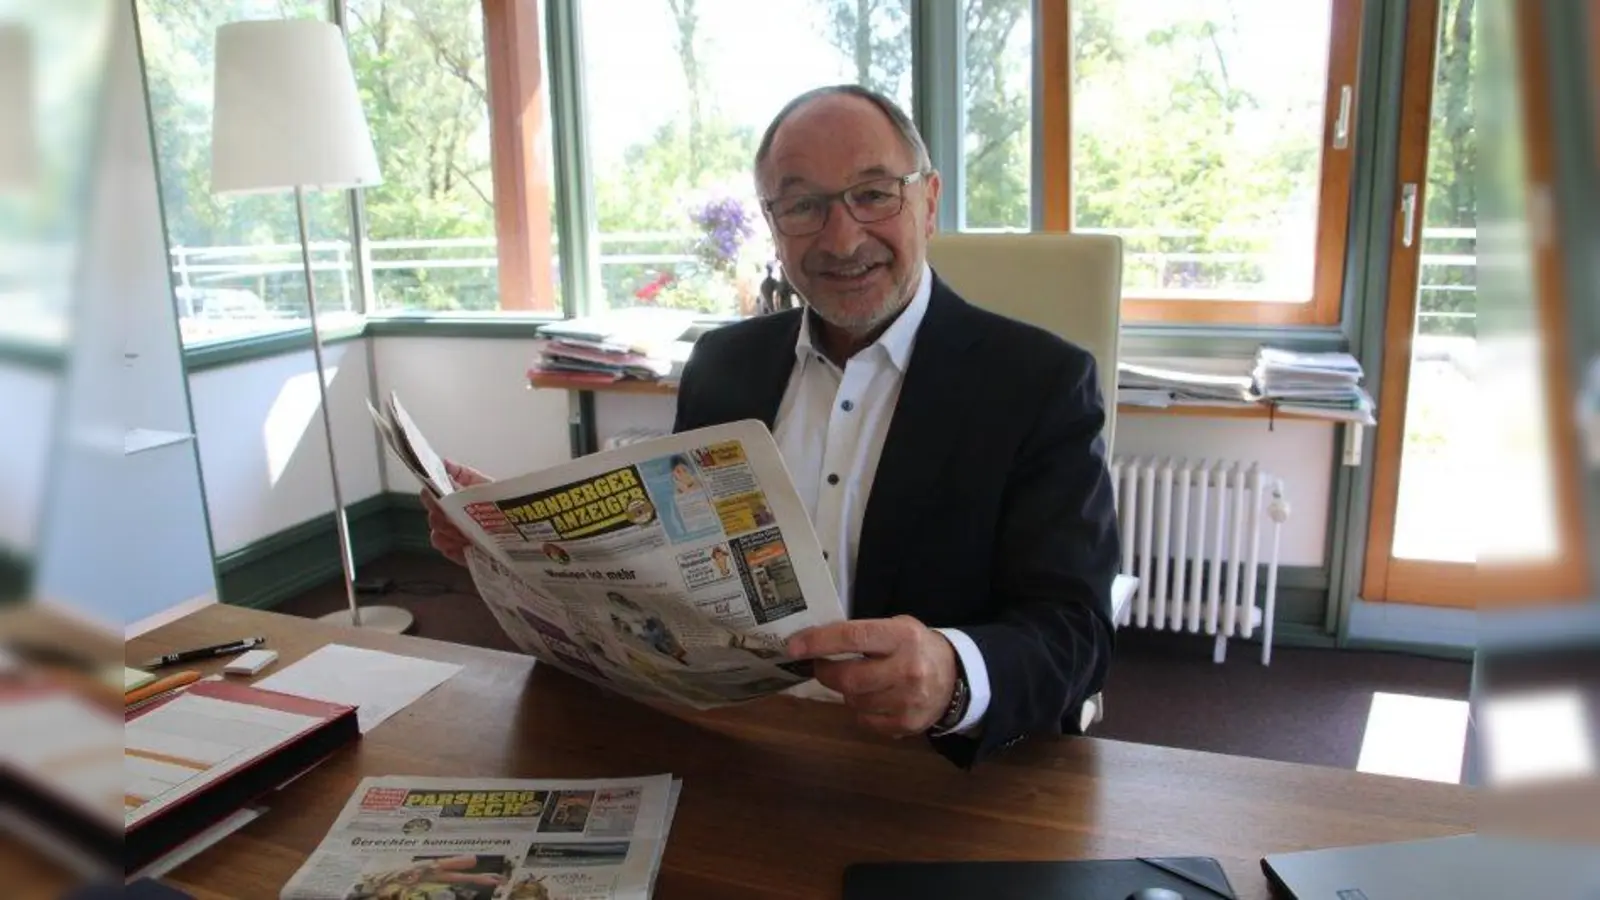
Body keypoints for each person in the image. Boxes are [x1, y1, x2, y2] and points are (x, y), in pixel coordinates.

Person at [423, 85, 1119, 769]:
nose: (842, 239)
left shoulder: (1040, 383)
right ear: (772, 222)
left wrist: (953, 673)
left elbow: (1076, 631)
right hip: (733, 741)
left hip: (922, 768)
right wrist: (523, 542)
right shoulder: (723, 363)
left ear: (929, 201)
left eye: (874, 194)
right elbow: (673, 562)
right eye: (803, 205)